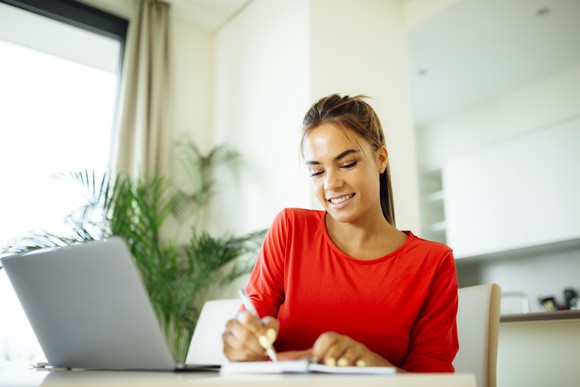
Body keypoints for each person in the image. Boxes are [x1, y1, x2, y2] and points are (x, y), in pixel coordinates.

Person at [222, 94, 459, 372]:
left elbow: (434, 378)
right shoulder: (290, 229)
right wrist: (240, 343)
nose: (331, 183)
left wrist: (372, 366)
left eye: (347, 164)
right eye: (317, 172)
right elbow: (251, 332)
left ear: (380, 159)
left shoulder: (433, 262)